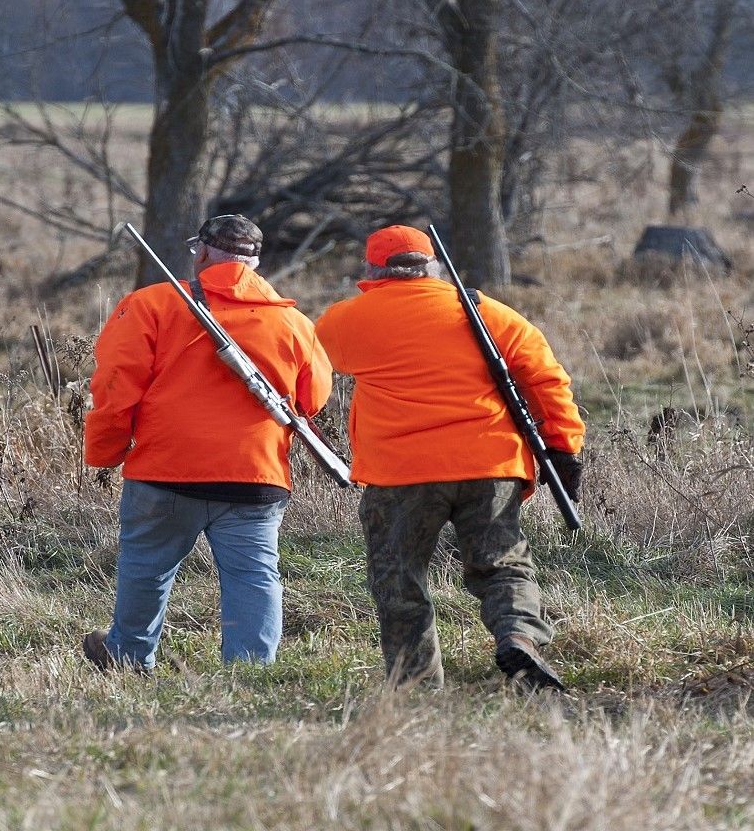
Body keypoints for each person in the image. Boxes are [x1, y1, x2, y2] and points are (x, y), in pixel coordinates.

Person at [314, 225, 585, 691]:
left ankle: (417, 688)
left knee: (399, 579)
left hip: (401, 472)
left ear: (371, 269)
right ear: (433, 265)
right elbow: (546, 377)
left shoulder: (345, 320)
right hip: (490, 464)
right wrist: (563, 448)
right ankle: (519, 636)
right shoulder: (486, 312)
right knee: (503, 565)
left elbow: (316, 370)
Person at [81, 214, 333, 671]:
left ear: (201, 252)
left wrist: (106, 451)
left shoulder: (152, 304)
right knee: (254, 577)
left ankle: (129, 656)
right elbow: (312, 399)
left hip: (166, 470)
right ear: (255, 262)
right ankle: (251, 671)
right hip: (255, 475)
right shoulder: (294, 322)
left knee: (147, 570)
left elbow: (116, 387)